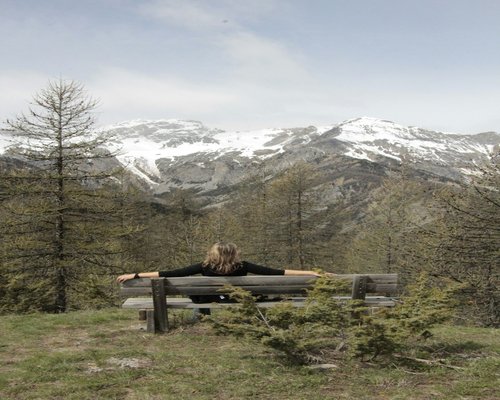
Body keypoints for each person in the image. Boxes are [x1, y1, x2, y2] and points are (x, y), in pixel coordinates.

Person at [116, 242, 322, 314]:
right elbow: (278, 272)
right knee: (248, 293)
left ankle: (202, 315)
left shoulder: (203, 266)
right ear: (234, 254)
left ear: (213, 254)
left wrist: (135, 275)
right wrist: (310, 273)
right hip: (236, 299)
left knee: (199, 293)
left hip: (208, 299)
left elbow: (168, 274)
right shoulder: (244, 266)